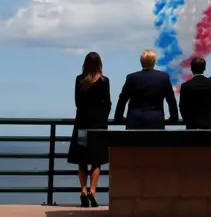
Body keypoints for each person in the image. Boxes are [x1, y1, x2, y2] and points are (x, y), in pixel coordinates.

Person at [67, 51, 111, 208]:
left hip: (82, 124)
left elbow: (77, 103)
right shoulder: (104, 81)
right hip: (98, 125)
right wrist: (102, 118)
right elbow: (108, 103)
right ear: (99, 64)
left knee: (82, 159)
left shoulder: (79, 80)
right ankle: (93, 190)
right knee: (97, 160)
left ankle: (83, 190)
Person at [114, 49, 178, 129]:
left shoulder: (132, 78)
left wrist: (118, 118)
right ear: (154, 61)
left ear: (141, 61)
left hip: (135, 121)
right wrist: (174, 119)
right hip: (156, 121)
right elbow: (171, 100)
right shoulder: (163, 77)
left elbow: (122, 100)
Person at [179, 47, 211, 129]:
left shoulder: (186, 86)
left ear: (191, 69)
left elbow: (182, 106)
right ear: (204, 68)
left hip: (194, 126)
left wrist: (188, 121)